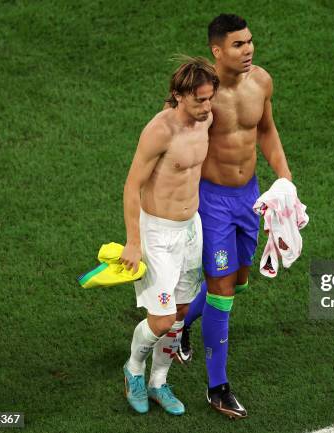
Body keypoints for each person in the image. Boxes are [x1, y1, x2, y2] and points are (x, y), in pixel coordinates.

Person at [177, 14, 292, 419]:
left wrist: (285, 180)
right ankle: (217, 387)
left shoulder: (261, 81)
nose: (248, 50)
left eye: (250, 42)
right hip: (213, 203)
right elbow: (174, 140)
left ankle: (181, 324)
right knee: (222, 293)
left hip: (250, 197)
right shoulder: (201, 95)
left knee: (239, 283)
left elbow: (266, 131)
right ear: (217, 50)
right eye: (238, 45)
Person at [119, 57, 219, 416]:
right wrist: (134, 241)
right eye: (200, 100)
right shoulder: (160, 131)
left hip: (191, 228)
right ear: (178, 95)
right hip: (158, 234)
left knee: (180, 313)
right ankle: (133, 370)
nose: (207, 107)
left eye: (210, 98)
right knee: (160, 320)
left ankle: (158, 382)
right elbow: (132, 186)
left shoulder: (206, 117)